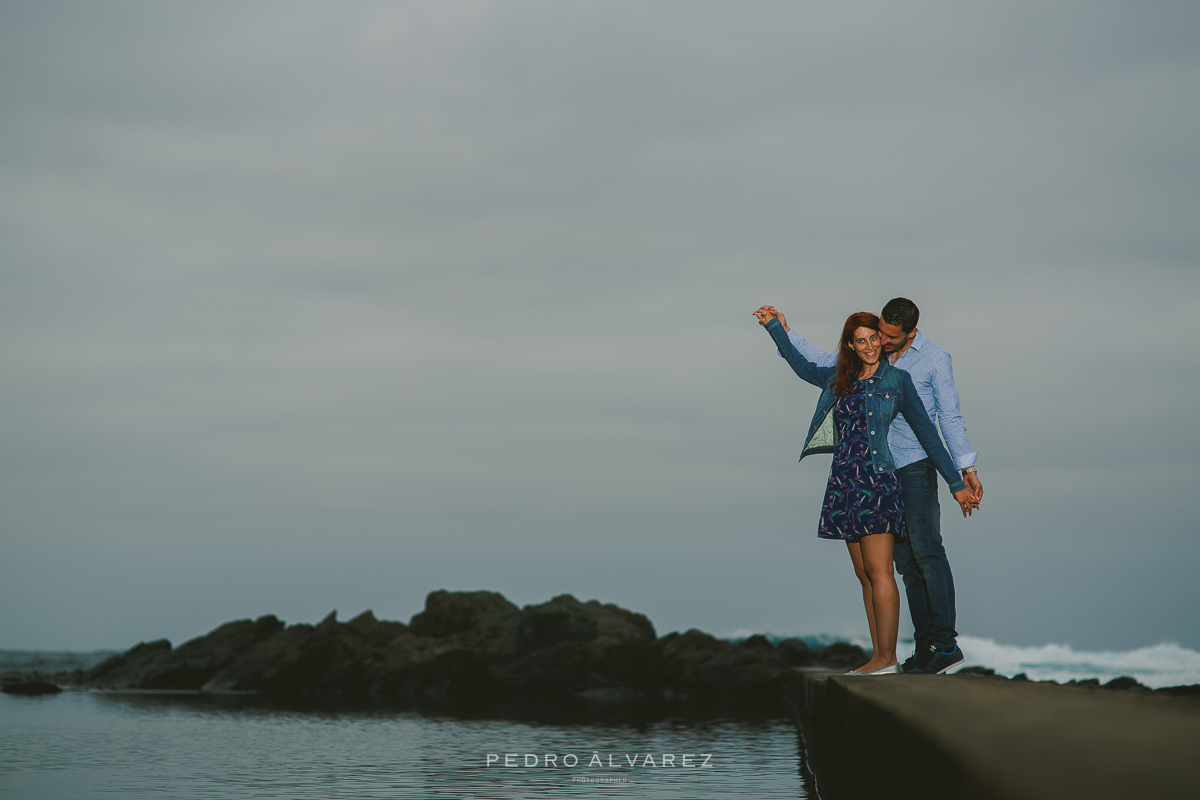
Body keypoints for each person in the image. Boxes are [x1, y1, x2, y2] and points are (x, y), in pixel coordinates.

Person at [762, 298, 981, 674]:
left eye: (880, 338)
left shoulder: (910, 372)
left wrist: (959, 476)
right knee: (889, 569)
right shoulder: (842, 374)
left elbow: (938, 424)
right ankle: (913, 650)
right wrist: (778, 329)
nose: (875, 342)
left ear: (903, 334)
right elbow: (806, 364)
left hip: (894, 473)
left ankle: (934, 648)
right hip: (847, 479)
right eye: (866, 338)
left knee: (921, 556)